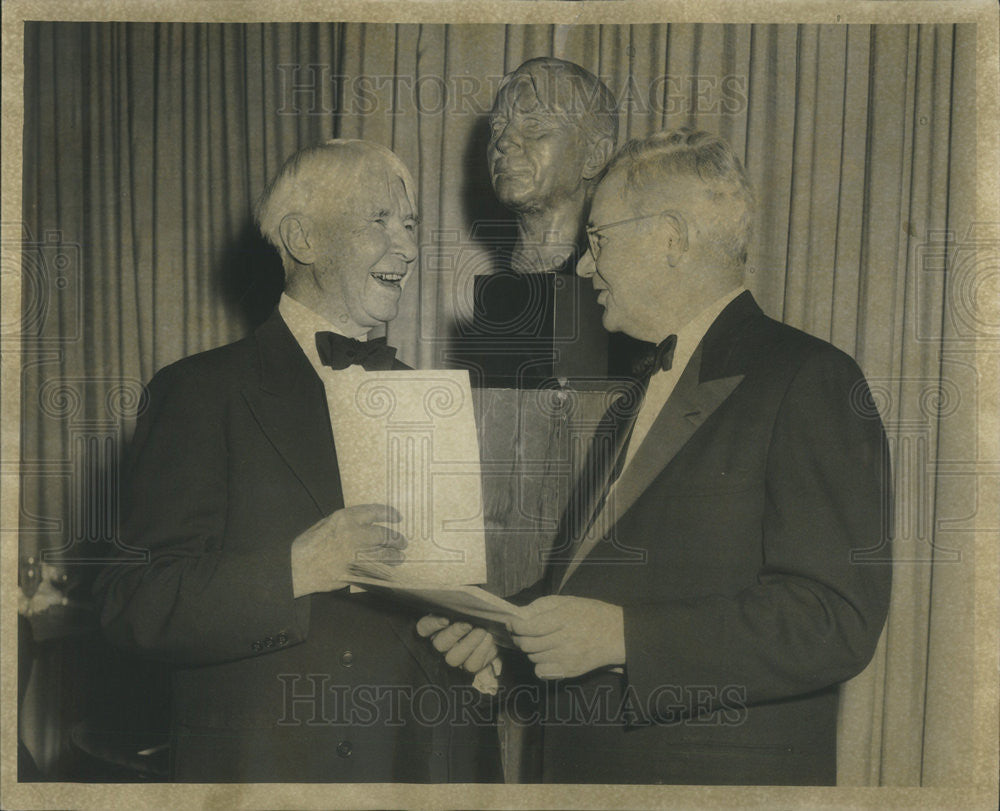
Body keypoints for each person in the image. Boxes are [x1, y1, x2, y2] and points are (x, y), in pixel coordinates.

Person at [422, 128, 893, 785]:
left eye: (599, 240)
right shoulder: (641, 392)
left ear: (670, 238)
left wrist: (622, 638)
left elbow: (834, 619)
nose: (585, 268)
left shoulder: (810, 378)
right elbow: (597, 587)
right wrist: (505, 626)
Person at [95, 139, 502, 783]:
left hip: (419, 763)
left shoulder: (430, 398)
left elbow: (457, 595)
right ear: (302, 238)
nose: (409, 247)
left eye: (411, 225)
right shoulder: (200, 392)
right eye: (380, 221)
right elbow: (131, 604)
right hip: (270, 771)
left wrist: (478, 635)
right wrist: (295, 568)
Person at [449, 56, 642, 387]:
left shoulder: (620, 303)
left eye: (535, 125)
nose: (503, 141)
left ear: (595, 156)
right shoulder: (503, 296)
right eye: (497, 126)